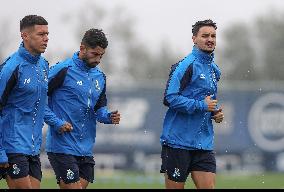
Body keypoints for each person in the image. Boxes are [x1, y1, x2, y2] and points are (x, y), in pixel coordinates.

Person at [44, 28, 121, 189]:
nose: (98, 59)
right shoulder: (62, 69)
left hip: (85, 149)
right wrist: (56, 122)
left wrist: (108, 117)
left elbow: (99, 110)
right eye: (94, 54)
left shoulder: (100, 77)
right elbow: (36, 100)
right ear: (82, 48)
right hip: (62, 147)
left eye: (101, 55)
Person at [160, 19, 224, 189]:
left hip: (203, 144)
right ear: (194, 39)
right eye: (205, 36)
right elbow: (170, 98)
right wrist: (201, 106)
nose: (210, 39)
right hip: (178, 142)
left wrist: (214, 113)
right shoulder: (184, 66)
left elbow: (208, 101)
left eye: (213, 36)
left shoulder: (214, 70)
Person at [0, 15, 49, 189]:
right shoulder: (11, 67)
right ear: (25, 36)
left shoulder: (44, 65)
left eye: (47, 34)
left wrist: (57, 122)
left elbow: (43, 104)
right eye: (41, 34)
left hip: (33, 147)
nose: (46, 38)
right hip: (12, 145)